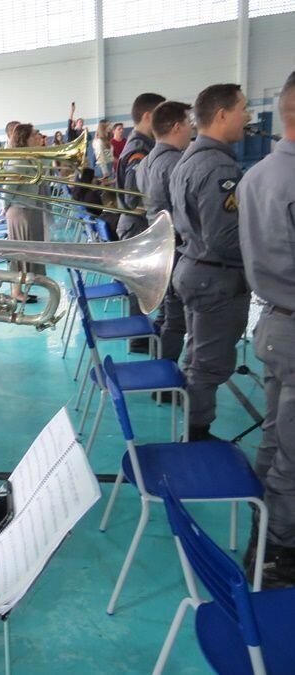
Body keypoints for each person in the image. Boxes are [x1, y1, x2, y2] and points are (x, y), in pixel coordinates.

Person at [238, 71, 295, 588]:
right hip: (291, 327)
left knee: (277, 438)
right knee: (293, 457)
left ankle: (266, 523)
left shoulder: (256, 173)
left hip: (274, 323)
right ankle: (276, 550)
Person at [169, 83, 252, 442]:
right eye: (242, 110)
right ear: (221, 115)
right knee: (208, 364)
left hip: (194, 268)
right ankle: (197, 435)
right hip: (215, 278)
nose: (247, 117)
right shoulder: (218, 168)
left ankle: (193, 423)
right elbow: (224, 239)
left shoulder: (188, 157)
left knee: (197, 357)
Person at [136, 101, 193, 366]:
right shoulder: (176, 163)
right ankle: (164, 377)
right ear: (177, 127)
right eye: (188, 124)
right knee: (176, 319)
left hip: (159, 244)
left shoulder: (146, 162)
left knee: (167, 313)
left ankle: (157, 362)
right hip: (175, 246)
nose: (191, 130)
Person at [115, 92, 166, 352]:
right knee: (142, 284)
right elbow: (137, 194)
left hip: (134, 223)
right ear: (148, 116)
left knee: (141, 283)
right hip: (136, 224)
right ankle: (140, 339)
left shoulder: (141, 143)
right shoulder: (139, 147)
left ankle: (141, 338)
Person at [3, 123, 45, 303]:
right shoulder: (19, 160)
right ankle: (16, 291)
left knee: (26, 252)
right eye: (34, 135)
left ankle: (20, 288)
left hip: (29, 209)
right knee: (19, 254)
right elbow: (8, 188)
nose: (38, 137)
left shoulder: (29, 158)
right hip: (20, 212)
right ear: (24, 139)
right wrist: (5, 208)